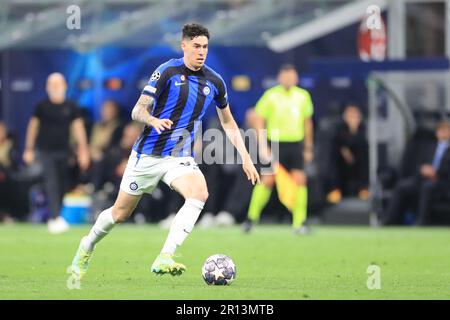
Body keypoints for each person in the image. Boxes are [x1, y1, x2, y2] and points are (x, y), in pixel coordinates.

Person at [70, 23, 259, 279]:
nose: (201, 51)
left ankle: (165, 256)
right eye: (196, 46)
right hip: (147, 155)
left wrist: (246, 158)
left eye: (205, 47)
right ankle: (87, 245)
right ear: (184, 46)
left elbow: (228, 122)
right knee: (120, 213)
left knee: (199, 193)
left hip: (179, 157)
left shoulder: (215, 81)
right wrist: (153, 120)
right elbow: (138, 110)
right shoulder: (167, 71)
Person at [242, 64, 314, 234]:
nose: (289, 79)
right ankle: (250, 219)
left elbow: (307, 122)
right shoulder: (271, 95)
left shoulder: (303, 96)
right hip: (274, 143)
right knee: (267, 180)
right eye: (285, 76)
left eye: (292, 76)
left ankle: (299, 223)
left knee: (300, 180)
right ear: (280, 78)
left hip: (295, 144)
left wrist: (308, 147)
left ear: (296, 78)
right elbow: (258, 120)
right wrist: (262, 144)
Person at [23, 73, 90, 233]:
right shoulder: (41, 106)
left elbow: (78, 128)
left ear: (65, 86)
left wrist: (83, 151)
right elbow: (33, 127)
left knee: (62, 185)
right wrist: (29, 149)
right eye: (51, 84)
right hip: (45, 151)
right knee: (51, 183)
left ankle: (57, 215)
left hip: (64, 152)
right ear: (47, 87)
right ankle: (54, 218)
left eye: (58, 84)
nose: (55, 87)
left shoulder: (71, 106)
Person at [382, 120, 450, 225]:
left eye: (446, 130)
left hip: (442, 181)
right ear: (437, 133)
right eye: (441, 130)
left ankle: (422, 221)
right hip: (422, 178)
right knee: (401, 186)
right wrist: (423, 169)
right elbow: (419, 163)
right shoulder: (429, 147)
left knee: (427, 187)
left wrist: (436, 172)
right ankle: (390, 220)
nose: (444, 133)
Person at [326, 104, 369, 203]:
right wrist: (344, 150)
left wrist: (353, 129)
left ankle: (363, 188)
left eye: (354, 114)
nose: (352, 116)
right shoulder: (339, 127)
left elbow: (360, 142)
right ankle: (335, 190)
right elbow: (338, 142)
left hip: (358, 161)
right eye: (349, 113)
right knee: (332, 156)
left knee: (364, 154)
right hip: (341, 163)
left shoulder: (362, 128)